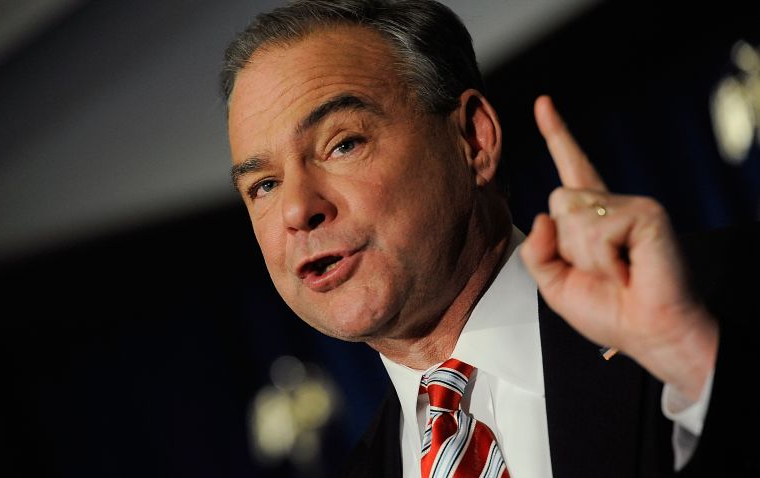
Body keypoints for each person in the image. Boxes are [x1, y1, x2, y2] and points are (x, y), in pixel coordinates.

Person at [220, 0, 759, 476]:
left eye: (342, 145)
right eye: (263, 184)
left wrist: (691, 359)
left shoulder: (724, 298)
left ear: (473, 139)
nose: (296, 209)